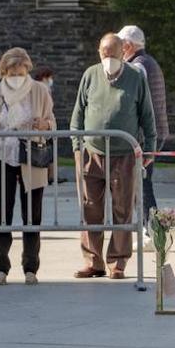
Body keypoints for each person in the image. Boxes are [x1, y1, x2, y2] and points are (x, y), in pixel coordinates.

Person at [70, 32, 157, 280]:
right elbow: (78, 114)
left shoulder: (135, 77)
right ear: (99, 52)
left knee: (122, 209)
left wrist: (149, 148)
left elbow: (147, 116)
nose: (108, 58)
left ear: (123, 52)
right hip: (92, 152)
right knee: (90, 209)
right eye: (104, 53)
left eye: (113, 53)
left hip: (124, 154)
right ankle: (93, 261)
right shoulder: (90, 75)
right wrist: (77, 146)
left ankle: (118, 262)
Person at [0, 47, 56, 286]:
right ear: (4, 72)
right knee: (2, 214)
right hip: (2, 157)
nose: (16, 78)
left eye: (21, 73)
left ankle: (31, 267)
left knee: (32, 215)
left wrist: (44, 124)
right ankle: (1, 267)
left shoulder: (39, 91)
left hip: (31, 158)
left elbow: (52, 122)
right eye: (12, 74)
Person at [119, 25, 169, 218]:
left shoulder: (137, 66)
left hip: (142, 135)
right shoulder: (148, 62)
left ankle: (151, 230)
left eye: (121, 44)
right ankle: (150, 229)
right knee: (142, 184)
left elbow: (133, 101)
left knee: (142, 185)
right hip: (151, 133)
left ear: (129, 46)